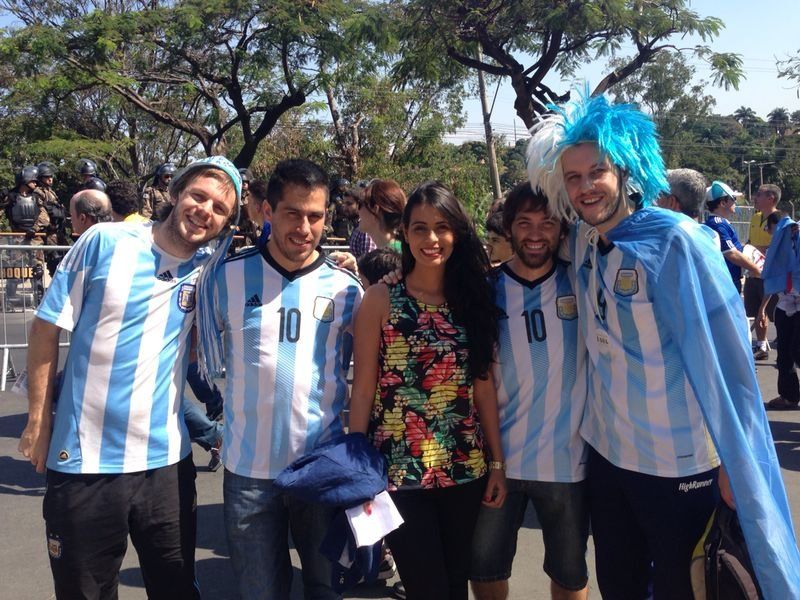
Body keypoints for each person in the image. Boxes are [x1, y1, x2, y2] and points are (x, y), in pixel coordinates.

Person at [526, 90, 800, 598]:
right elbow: (523, 249)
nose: (585, 187)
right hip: (608, 459)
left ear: (626, 171)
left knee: (682, 587)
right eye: (573, 177)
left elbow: (729, 366)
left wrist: (733, 468)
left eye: (597, 172)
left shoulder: (679, 241)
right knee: (618, 583)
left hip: (679, 466)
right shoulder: (584, 240)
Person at [18, 156, 242, 599]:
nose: (205, 211)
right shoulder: (105, 240)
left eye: (220, 208)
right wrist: (37, 421)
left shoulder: (209, 272)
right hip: (84, 464)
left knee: (176, 590)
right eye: (199, 196)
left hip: (165, 467)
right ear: (176, 193)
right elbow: (45, 328)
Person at [196, 158, 363, 600]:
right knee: (260, 592)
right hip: (248, 471)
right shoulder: (225, 279)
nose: (305, 228)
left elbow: (371, 374)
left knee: (324, 590)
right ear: (267, 211)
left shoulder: (348, 289)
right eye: (293, 213)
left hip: (320, 467)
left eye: (315, 216)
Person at [349, 181, 507, 600]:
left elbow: (483, 387)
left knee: (456, 584)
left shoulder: (473, 298)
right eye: (419, 228)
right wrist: (355, 460)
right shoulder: (381, 299)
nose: (431, 239)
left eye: (441, 227)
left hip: (464, 468)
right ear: (404, 233)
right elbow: (363, 388)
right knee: (426, 588)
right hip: (399, 472)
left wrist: (496, 463)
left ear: (457, 231)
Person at [470, 182, 589, 600]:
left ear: (562, 229)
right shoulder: (484, 290)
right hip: (499, 462)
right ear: (508, 228)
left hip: (568, 463)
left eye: (547, 222)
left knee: (570, 575)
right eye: (525, 223)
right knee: (485, 570)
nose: (536, 233)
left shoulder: (584, 282)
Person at [760, 211, 800, 410]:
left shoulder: (797, 240)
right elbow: (772, 280)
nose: (768, 233)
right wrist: (762, 308)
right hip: (786, 304)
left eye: (769, 228)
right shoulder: (775, 251)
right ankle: (789, 396)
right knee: (784, 354)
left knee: (797, 350)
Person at [703, 181, 761, 294]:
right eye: (733, 198)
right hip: (726, 282)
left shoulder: (720, 222)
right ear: (723, 203)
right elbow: (731, 253)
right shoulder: (717, 223)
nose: (735, 202)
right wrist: (756, 269)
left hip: (729, 280)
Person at [746, 184, 782, 360]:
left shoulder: (781, 220)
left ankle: (786, 344)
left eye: (759, 195)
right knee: (757, 311)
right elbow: (750, 242)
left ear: (771, 199)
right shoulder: (755, 218)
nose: (755, 198)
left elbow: (779, 248)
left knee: (776, 313)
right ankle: (762, 347)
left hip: (772, 275)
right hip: (754, 273)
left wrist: (757, 251)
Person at [34, 162, 69, 276]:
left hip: (57, 230)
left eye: (51, 176)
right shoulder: (38, 192)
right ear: (40, 178)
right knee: (54, 259)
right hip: (48, 231)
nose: (50, 179)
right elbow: (41, 212)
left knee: (65, 257)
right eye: (46, 177)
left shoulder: (50, 192)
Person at [357, 179, 406, 252]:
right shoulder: (399, 250)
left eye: (360, 205)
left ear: (375, 210)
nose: (358, 210)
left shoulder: (393, 256)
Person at [348, 185, 377, 258]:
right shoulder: (358, 227)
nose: (344, 207)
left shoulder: (366, 230)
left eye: (349, 204)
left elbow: (368, 262)